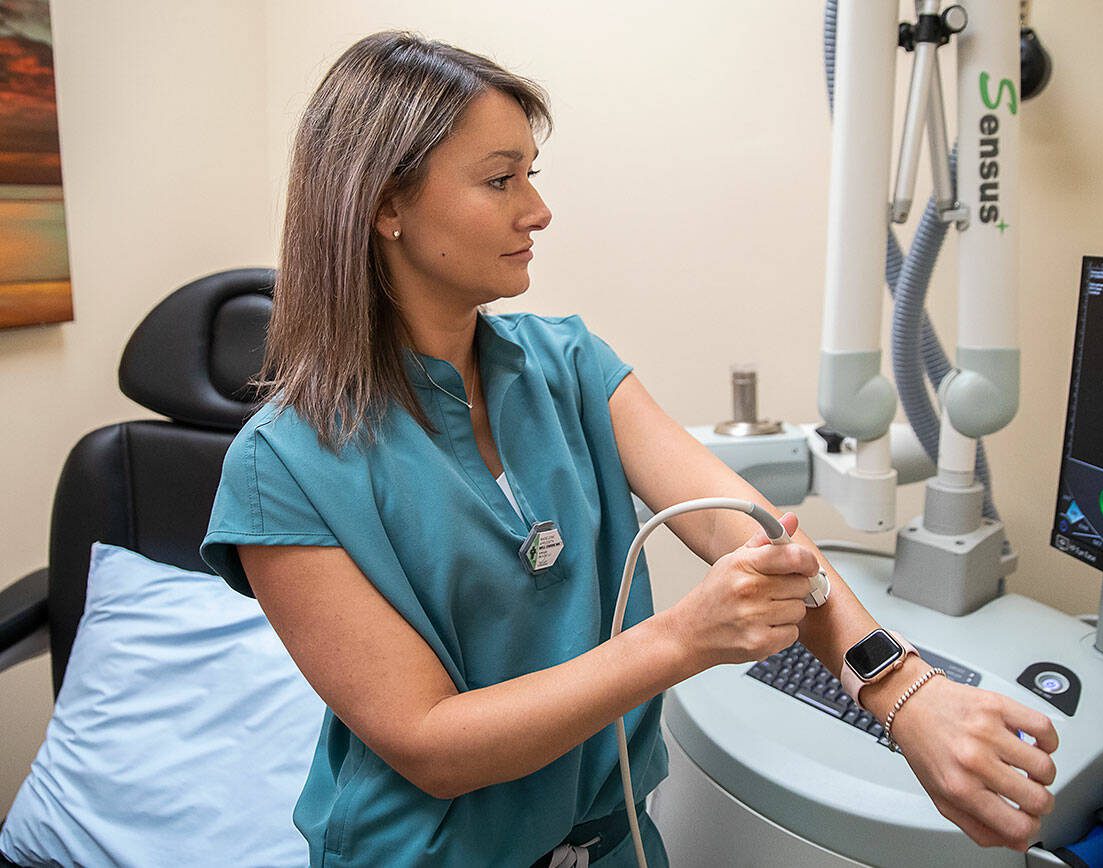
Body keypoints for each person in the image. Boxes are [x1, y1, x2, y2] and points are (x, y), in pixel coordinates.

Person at [201, 31, 1058, 868]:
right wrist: (681, 640)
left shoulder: (570, 365)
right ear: (384, 204)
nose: (537, 211)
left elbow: (748, 534)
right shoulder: (283, 471)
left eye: (531, 177)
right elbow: (431, 745)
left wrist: (906, 696)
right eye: (501, 181)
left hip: (614, 836)